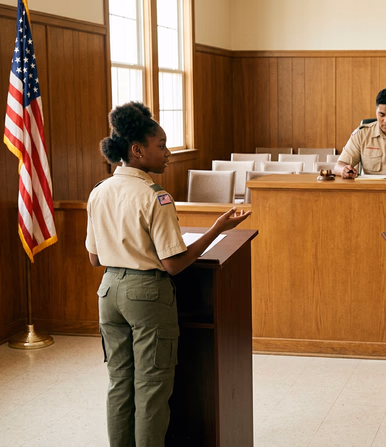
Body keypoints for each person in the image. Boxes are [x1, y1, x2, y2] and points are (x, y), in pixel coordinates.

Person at [86, 102, 250, 446]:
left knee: (119, 383)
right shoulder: (155, 197)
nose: (168, 153)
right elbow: (174, 263)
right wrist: (217, 229)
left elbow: (94, 256)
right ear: (137, 150)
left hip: (108, 292)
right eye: (160, 145)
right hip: (146, 296)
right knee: (151, 388)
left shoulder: (99, 192)